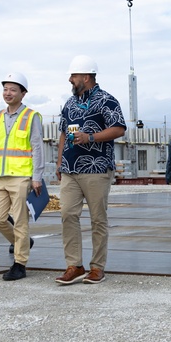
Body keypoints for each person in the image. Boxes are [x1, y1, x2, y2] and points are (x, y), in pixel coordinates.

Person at [54, 55, 126, 286]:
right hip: (70, 168)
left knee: (98, 219)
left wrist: (91, 137)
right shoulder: (69, 103)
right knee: (68, 215)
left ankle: (97, 267)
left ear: (86, 77)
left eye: (73, 76)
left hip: (96, 169)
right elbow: (63, 133)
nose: (70, 80)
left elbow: (119, 128)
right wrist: (59, 162)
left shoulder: (107, 100)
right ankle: (74, 265)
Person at [0, 73, 44, 280]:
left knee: (21, 221)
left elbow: (37, 147)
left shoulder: (31, 116)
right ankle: (23, 241)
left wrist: (37, 176)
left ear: (23, 93)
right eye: (5, 89)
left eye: (13, 89)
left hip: (21, 176)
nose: (8, 93)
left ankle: (20, 263)